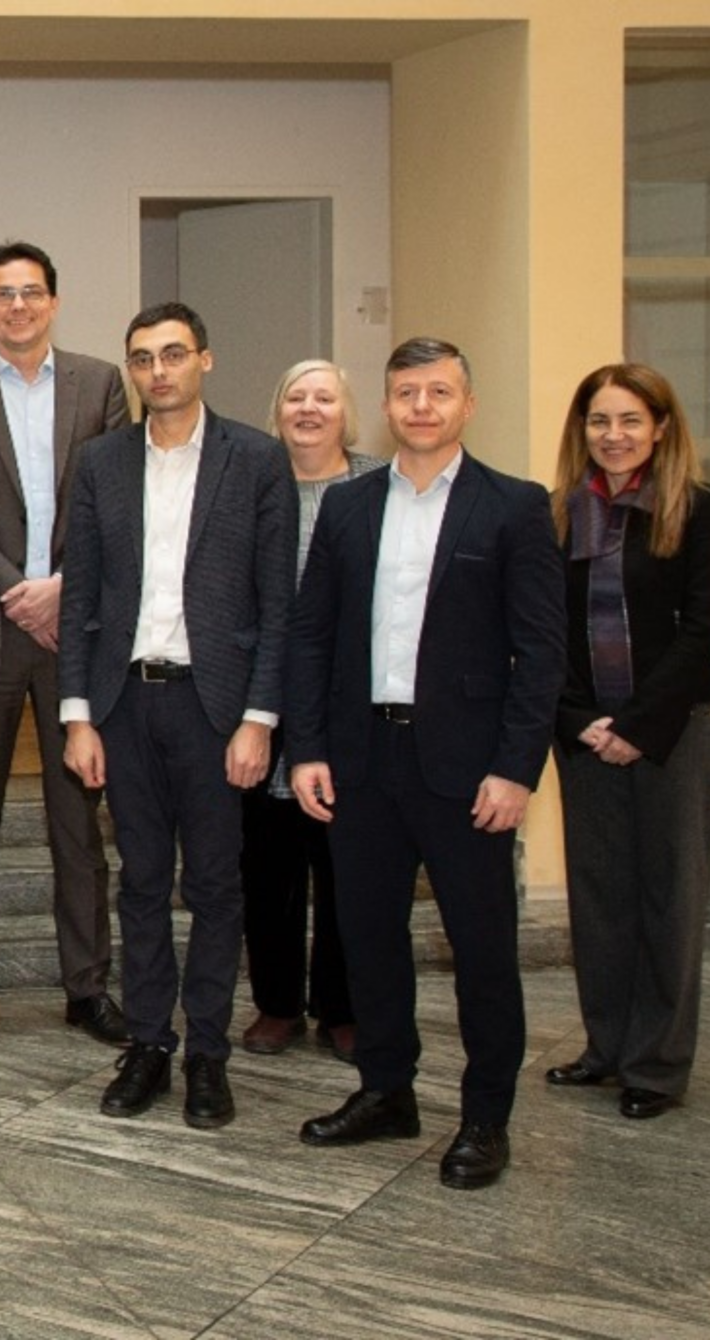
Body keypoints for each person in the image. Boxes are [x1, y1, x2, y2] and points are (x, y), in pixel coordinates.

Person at [289, 337, 565, 1192]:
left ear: (466, 404)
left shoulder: (513, 507)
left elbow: (541, 652)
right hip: (364, 758)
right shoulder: (348, 506)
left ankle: (486, 1116)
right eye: (406, 392)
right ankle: (386, 1090)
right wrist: (308, 748)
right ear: (387, 403)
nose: (420, 407)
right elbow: (312, 636)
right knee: (368, 939)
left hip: (468, 768)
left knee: (481, 950)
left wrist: (517, 769)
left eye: (437, 392)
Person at [57, 303, 293, 1128]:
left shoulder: (257, 462)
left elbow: (276, 601)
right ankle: (150, 1045)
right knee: (143, 883)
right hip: (123, 703)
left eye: (173, 355)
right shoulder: (99, 464)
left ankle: (208, 1058)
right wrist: (78, 716)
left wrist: (259, 717)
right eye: (143, 359)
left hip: (214, 706)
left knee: (218, 887)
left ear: (205, 360)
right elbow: (81, 594)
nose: (159, 371)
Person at [0, 241, 131, 1048]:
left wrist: (64, 588)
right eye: (2, 294)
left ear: (54, 301)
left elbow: (116, 500)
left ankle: (88, 990)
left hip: (79, 630)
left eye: (31, 293)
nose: (17, 306)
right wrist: (21, 591)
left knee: (79, 828)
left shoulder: (101, 383)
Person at [544, 363, 710, 1122]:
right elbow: (542, 633)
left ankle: (657, 1063)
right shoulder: (559, 515)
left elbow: (703, 631)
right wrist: (581, 719)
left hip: (672, 733)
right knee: (599, 896)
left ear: (662, 429)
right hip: (585, 734)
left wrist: (640, 725)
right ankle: (606, 1046)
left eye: (630, 421)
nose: (614, 436)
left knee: (667, 896)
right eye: (600, 422)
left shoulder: (695, 512)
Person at [240, 361, 384, 1063]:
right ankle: (276, 1004)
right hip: (262, 698)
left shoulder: (377, 485)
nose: (308, 408)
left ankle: (341, 1006)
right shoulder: (250, 486)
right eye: (294, 395)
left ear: (345, 411)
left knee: (343, 864)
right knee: (267, 864)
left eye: (324, 397)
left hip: (345, 702)